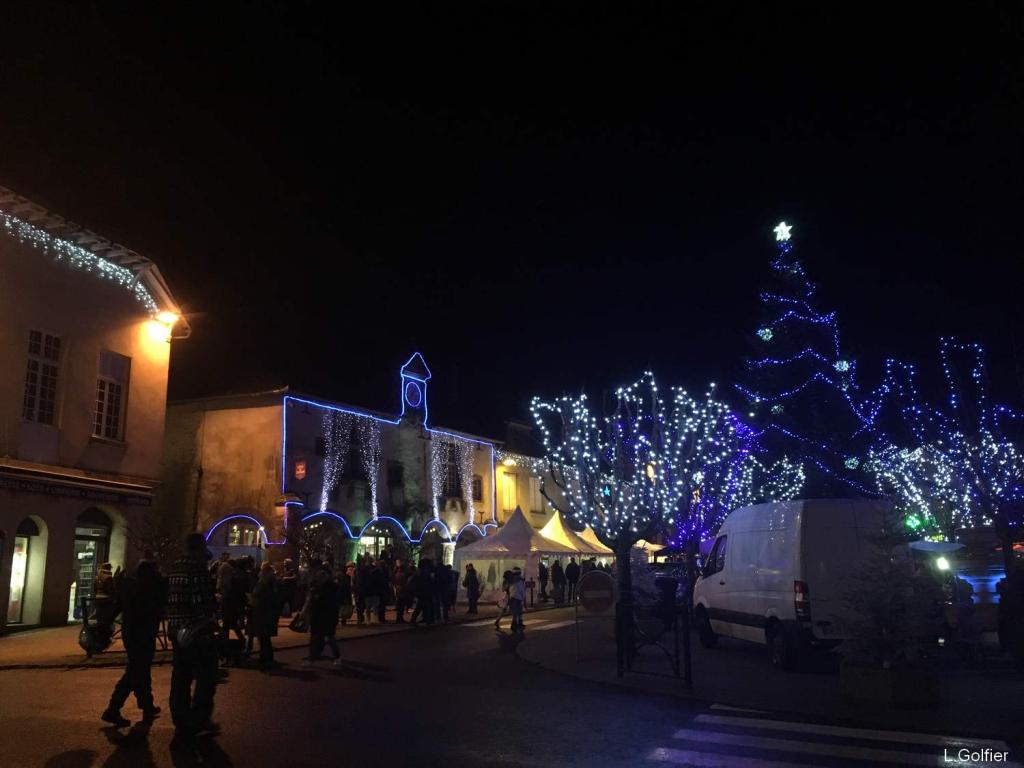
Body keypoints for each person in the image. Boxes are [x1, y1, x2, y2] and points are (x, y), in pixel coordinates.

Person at [166, 533, 219, 748]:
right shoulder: (197, 570)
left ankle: (180, 722)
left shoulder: (174, 568)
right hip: (197, 632)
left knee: (180, 679)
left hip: (177, 630)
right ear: (199, 548)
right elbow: (201, 603)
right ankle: (197, 719)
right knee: (206, 678)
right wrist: (212, 611)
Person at [102, 560, 166, 727]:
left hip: (130, 630)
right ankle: (113, 707)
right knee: (136, 669)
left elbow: (118, 606)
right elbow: (162, 605)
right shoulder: (153, 586)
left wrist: (105, 624)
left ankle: (146, 703)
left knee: (140, 667)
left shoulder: (129, 585)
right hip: (145, 630)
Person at [305, 563, 342, 666]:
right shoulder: (316, 588)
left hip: (327, 617)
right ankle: (312, 658)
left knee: (330, 638)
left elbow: (332, 604)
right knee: (314, 638)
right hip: (317, 616)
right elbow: (311, 601)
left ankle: (337, 656)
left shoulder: (331, 588)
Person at [248, 563, 280, 671]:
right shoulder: (272, 583)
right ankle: (265, 658)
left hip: (262, 613)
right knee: (264, 638)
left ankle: (266, 659)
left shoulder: (264, 584)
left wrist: (253, 599)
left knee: (264, 637)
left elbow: (261, 597)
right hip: (267, 614)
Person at [410, 560, 435, 626]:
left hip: (422, 592)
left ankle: (425, 620)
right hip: (424, 591)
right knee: (424, 606)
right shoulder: (425, 572)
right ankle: (427, 621)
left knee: (421, 606)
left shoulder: (420, 572)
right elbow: (428, 582)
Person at [508, 567, 526, 632]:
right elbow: (522, 590)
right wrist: (523, 597)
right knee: (519, 612)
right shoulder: (520, 581)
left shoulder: (512, 581)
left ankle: (515, 623)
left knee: (516, 612)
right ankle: (516, 624)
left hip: (513, 598)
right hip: (518, 598)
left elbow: (511, 590)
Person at [337, 562, 354, 626]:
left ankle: (342, 619)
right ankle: (343, 620)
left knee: (341, 607)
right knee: (343, 607)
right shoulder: (345, 577)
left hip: (341, 594)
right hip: (343, 594)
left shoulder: (342, 576)